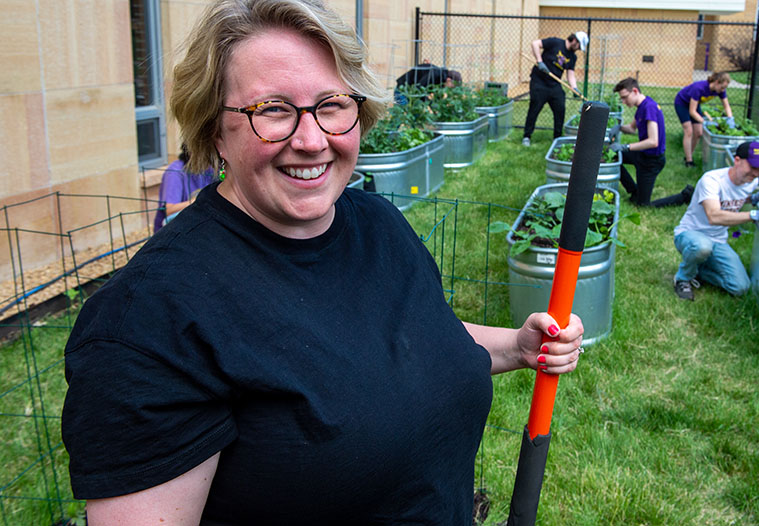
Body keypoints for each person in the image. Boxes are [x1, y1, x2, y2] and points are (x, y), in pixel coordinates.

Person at [60, 1, 584, 524]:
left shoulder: (378, 224)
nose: (311, 141)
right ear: (215, 129)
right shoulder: (149, 321)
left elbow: (420, 338)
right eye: (271, 109)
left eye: (332, 104)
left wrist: (515, 346)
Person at [672, 141, 759, 301]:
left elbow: (734, 198)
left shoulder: (751, 181)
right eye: (753, 166)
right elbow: (714, 216)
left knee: (740, 287)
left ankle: (697, 269)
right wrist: (754, 215)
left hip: (718, 240)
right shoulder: (712, 180)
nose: (757, 173)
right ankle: (683, 278)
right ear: (737, 160)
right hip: (691, 234)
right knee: (702, 247)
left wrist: (752, 198)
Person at [606, 77, 666, 206]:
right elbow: (632, 129)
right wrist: (619, 127)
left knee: (643, 205)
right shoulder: (642, 107)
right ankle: (633, 190)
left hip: (652, 161)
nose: (623, 101)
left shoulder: (649, 107)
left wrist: (625, 147)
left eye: (625, 97)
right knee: (613, 156)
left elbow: (653, 141)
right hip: (642, 154)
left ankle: (685, 195)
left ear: (634, 91)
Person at [521, 32, 588, 147]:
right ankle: (527, 136)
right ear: (575, 40)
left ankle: (557, 138)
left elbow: (570, 74)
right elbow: (535, 43)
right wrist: (540, 61)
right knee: (534, 108)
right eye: (578, 46)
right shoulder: (555, 42)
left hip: (554, 84)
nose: (578, 49)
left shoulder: (573, 57)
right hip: (539, 81)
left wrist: (575, 88)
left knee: (560, 109)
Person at [674, 71, 734, 167]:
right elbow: (692, 112)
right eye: (722, 87)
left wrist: (731, 119)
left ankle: (688, 155)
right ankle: (689, 161)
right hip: (682, 103)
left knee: (698, 133)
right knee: (688, 131)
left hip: (694, 103)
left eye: (725, 88)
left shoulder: (720, 90)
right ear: (717, 82)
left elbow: (726, 106)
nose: (723, 90)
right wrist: (705, 122)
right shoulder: (699, 88)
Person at [153, 144, 215, 232]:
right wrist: (198, 200)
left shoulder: (211, 169)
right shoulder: (175, 172)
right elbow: (169, 210)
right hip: (170, 231)